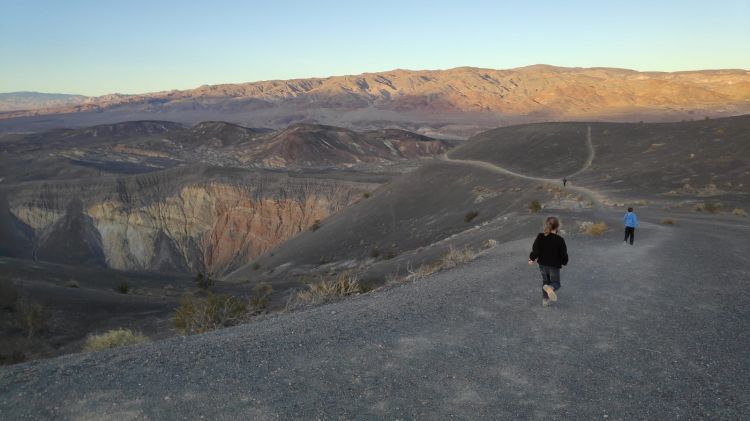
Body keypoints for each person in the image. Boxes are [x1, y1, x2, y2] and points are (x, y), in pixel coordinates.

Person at [528, 216, 569, 307]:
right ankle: (551, 288)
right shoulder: (560, 240)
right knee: (556, 283)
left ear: (546, 225)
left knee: (545, 282)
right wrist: (564, 261)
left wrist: (531, 259)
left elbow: (536, 250)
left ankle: (545, 301)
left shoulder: (540, 236)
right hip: (553, 266)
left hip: (542, 265)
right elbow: (563, 254)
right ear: (558, 227)